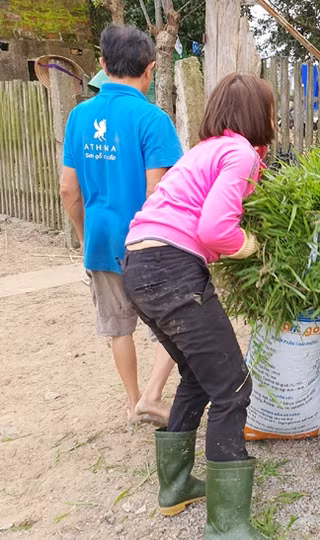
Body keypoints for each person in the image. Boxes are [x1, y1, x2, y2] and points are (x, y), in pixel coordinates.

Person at [121, 73, 274, 537]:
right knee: (233, 386)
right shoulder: (240, 153)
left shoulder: (205, 149)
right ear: (257, 116)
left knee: (197, 374)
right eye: (269, 111)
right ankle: (228, 527)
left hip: (138, 263)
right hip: (171, 268)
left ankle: (176, 487)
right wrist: (252, 245)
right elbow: (214, 231)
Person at [59, 24, 182, 426]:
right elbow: (158, 193)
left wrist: (84, 237)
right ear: (150, 69)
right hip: (146, 244)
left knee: (118, 327)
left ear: (102, 64)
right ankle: (151, 395)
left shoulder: (79, 116)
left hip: (99, 238)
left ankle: (132, 403)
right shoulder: (152, 119)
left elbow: (67, 190)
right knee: (173, 322)